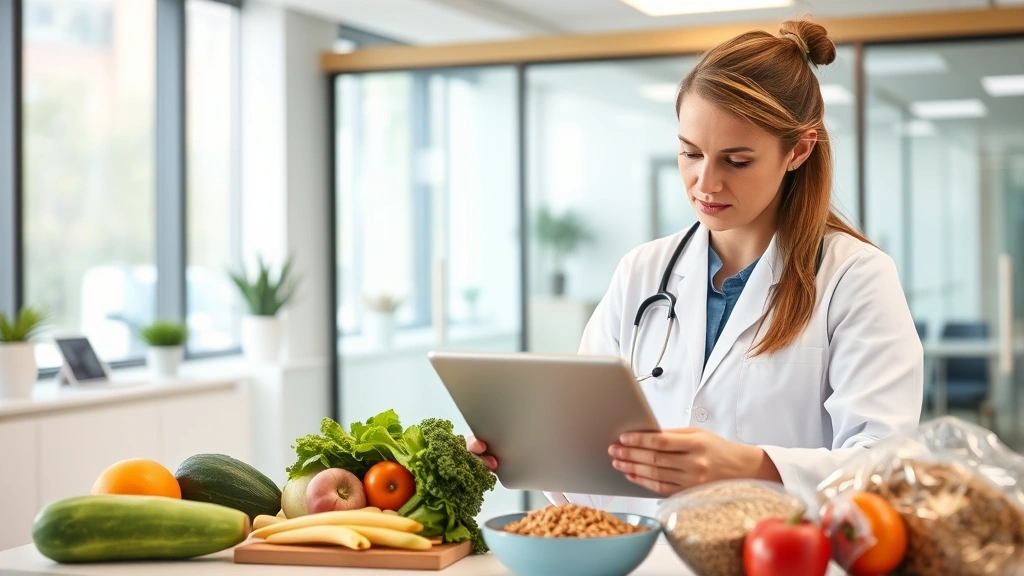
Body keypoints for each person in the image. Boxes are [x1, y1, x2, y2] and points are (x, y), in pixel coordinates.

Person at [468, 19, 923, 515]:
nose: (705, 182)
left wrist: (749, 465)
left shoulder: (854, 277)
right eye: (690, 153)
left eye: (737, 161)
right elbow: (595, 463)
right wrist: (533, 451)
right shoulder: (641, 272)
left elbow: (884, 468)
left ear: (799, 150)